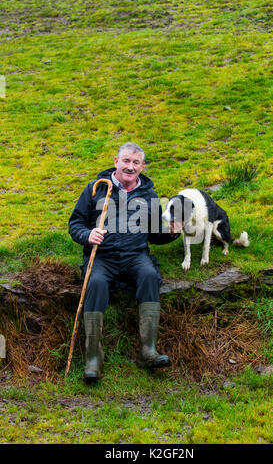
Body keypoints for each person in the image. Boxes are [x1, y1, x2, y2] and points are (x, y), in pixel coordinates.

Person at [69, 142, 182, 383]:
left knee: (149, 275)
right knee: (96, 283)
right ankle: (93, 358)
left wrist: (172, 232)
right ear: (116, 162)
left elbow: (154, 234)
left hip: (135, 255)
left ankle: (148, 351)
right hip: (101, 257)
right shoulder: (95, 189)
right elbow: (75, 223)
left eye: (136, 162)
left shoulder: (148, 194)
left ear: (142, 166)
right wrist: (87, 235)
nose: (130, 167)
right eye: (126, 161)